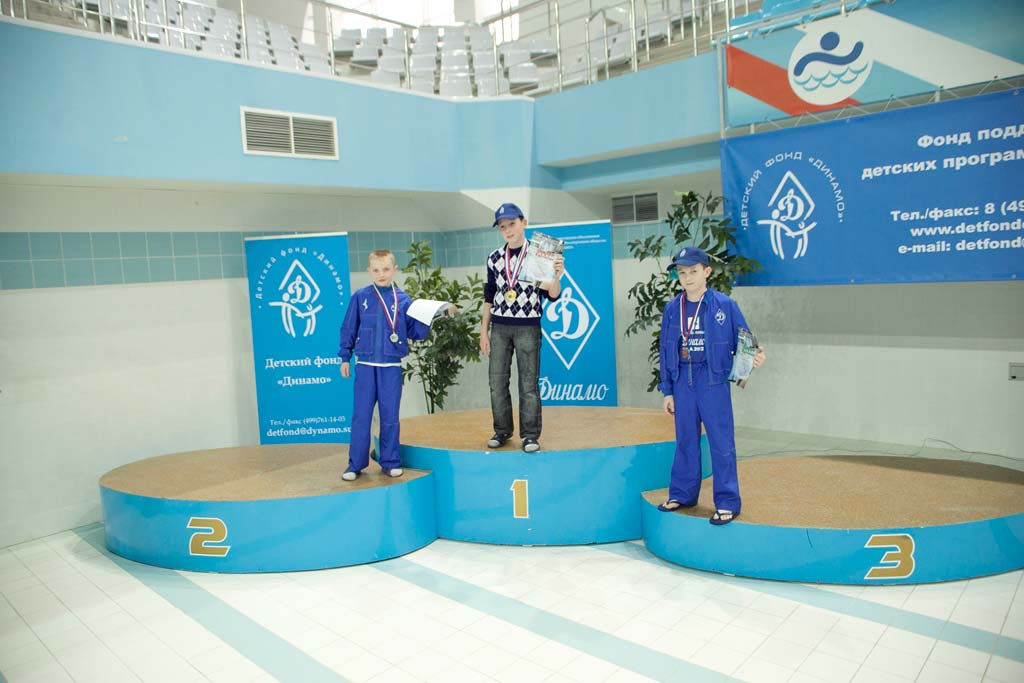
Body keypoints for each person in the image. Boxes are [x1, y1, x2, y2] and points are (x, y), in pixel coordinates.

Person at [657, 246, 766, 525]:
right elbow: (665, 349)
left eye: (693, 271)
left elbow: (746, 340)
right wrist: (668, 390)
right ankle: (682, 493)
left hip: (712, 381)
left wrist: (755, 356)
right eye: (682, 273)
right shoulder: (673, 309)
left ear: (706, 271)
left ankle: (727, 501)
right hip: (682, 380)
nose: (688, 278)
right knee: (685, 440)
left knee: (721, 441)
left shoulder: (724, 305)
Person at [338, 249, 432, 480]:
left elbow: (415, 332)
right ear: (369, 271)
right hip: (365, 365)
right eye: (376, 270)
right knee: (361, 416)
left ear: (394, 270)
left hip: (391, 367)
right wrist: (345, 357)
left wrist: (430, 316)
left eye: (386, 269)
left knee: (390, 417)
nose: (381, 274)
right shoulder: (360, 297)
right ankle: (355, 465)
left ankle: (390, 462)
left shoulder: (403, 300)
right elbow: (349, 327)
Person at [480, 202, 565, 452]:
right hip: (499, 327)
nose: (508, 230)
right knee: (497, 383)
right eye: (502, 227)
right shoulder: (494, 258)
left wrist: (556, 277)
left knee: (528, 385)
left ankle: (529, 435)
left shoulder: (540, 255)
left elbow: (552, 295)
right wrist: (484, 331)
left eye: (512, 224)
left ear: (524, 223)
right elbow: (489, 297)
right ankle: (502, 430)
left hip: (528, 327)